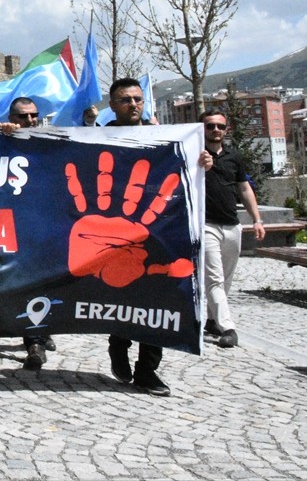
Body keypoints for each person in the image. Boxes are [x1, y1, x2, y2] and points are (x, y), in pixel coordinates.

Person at [105, 77, 211, 396]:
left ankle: (148, 371)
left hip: (159, 230)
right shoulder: (97, 135)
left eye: (137, 98)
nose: (133, 104)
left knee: (158, 299)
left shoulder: (165, 136)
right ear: (113, 105)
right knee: (122, 298)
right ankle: (118, 344)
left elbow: (187, 169)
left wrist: (203, 161)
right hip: (116, 232)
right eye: (125, 99)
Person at [201, 109, 265, 348]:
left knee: (226, 277)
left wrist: (256, 219)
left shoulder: (234, 156)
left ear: (226, 130)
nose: (215, 130)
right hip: (206, 224)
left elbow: (245, 188)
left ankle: (211, 320)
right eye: (210, 126)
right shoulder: (194, 153)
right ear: (202, 129)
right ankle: (228, 327)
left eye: (220, 126)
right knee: (214, 277)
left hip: (232, 225)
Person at [2, 97, 58, 369]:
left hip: (45, 226)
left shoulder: (49, 143)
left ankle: (38, 335)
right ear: (13, 118)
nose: (31, 121)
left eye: (34, 115)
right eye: (24, 117)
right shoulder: (1, 143)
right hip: (12, 228)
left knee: (43, 282)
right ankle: (33, 339)